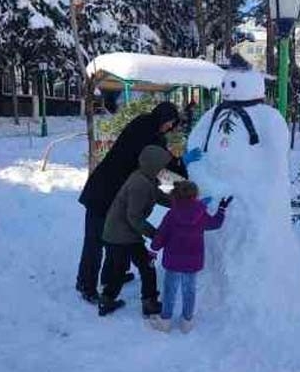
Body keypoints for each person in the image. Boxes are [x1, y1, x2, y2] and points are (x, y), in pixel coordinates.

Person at [76, 102, 202, 304]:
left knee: (116, 235)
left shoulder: (147, 126)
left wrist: (179, 195)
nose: (170, 128)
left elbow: (158, 171)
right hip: (103, 192)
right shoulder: (147, 132)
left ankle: (112, 276)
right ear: (162, 117)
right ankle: (86, 284)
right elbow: (161, 170)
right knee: (96, 240)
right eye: (169, 123)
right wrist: (182, 173)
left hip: (117, 191)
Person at [98, 145, 174, 317]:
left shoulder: (146, 178)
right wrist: (156, 235)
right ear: (153, 165)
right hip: (121, 233)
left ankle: (107, 300)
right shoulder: (139, 184)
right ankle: (149, 303)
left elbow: (158, 195)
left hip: (120, 232)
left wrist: (181, 203)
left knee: (118, 270)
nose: (164, 169)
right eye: (162, 165)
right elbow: (134, 217)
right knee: (147, 266)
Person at [148, 181, 232, 333]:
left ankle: (165, 321)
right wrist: (221, 209)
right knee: (189, 291)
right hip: (192, 261)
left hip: (173, 260)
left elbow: (161, 234)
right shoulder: (200, 213)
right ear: (194, 195)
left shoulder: (172, 214)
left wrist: (153, 250)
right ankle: (187, 322)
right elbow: (215, 224)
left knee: (170, 291)